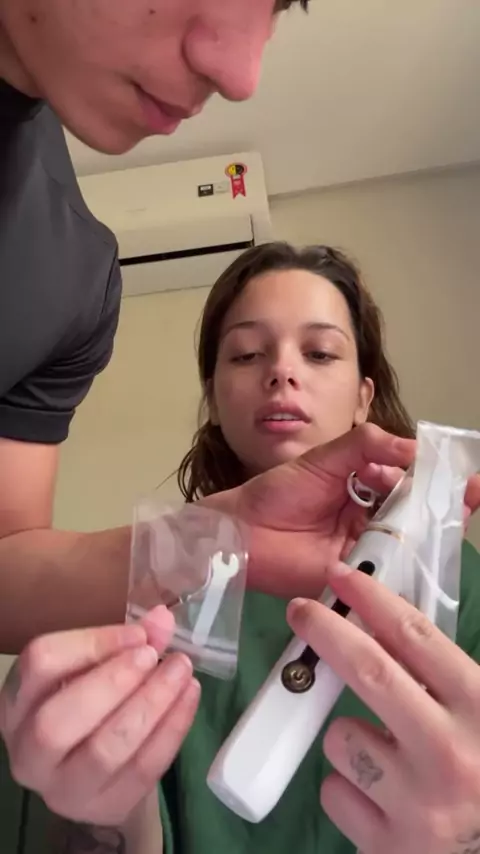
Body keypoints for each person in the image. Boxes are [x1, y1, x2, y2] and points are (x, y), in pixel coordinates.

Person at [1, 243, 480, 853]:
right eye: (248, 353)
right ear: (214, 396)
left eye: (319, 352)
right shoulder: (155, 579)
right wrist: (108, 810)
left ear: (365, 397)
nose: (282, 371)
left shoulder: (454, 581)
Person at [0, 0, 310, 654]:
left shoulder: (74, 282)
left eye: (285, 4)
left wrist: (217, 538)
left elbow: (7, 567)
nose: (240, 75)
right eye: (245, 353)